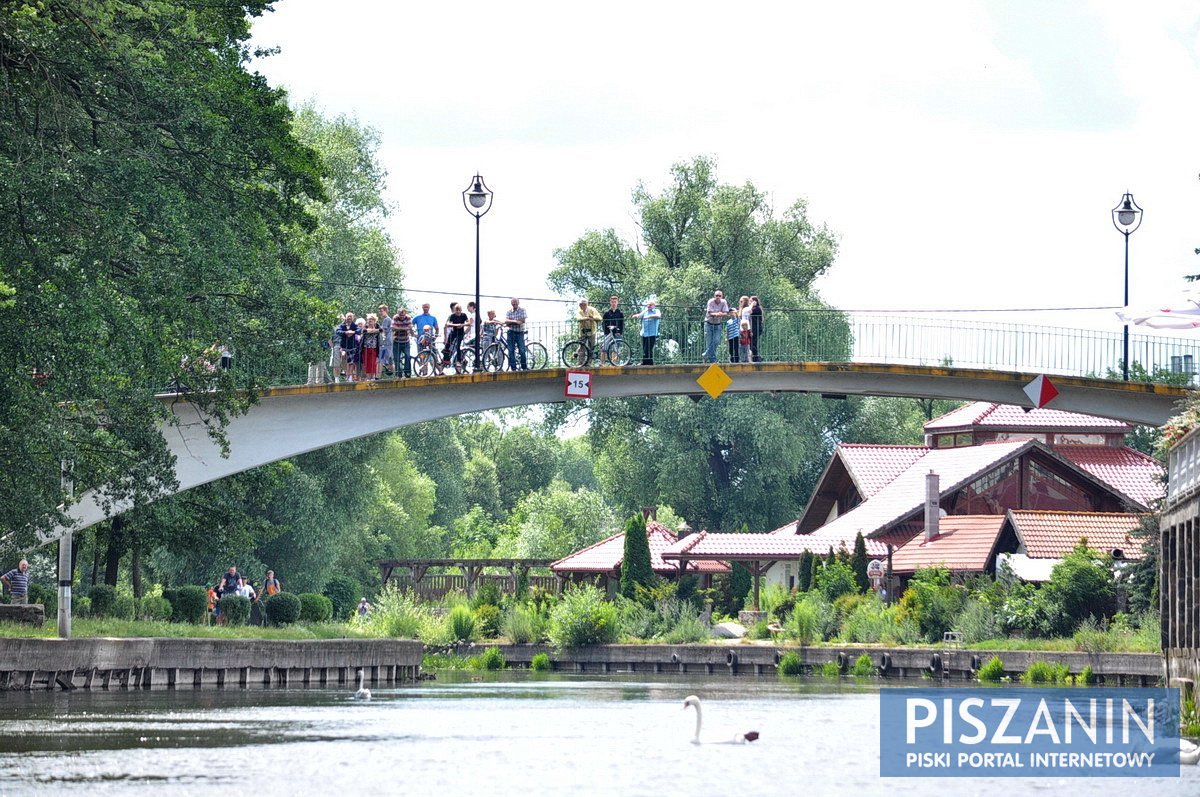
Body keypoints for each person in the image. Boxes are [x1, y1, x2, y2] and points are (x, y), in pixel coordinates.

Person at [703, 290, 730, 363]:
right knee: (709, 342)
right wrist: (718, 314)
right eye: (716, 296)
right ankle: (712, 360)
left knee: (717, 341)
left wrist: (720, 314)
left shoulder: (723, 302)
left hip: (717, 324)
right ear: (714, 296)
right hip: (709, 323)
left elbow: (726, 313)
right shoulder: (710, 302)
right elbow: (710, 313)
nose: (718, 297)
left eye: (719, 296)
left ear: (722, 297)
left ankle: (706, 354)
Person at [633, 299, 661, 365]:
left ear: (654, 305)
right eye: (647, 305)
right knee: (646, 349)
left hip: (652, 334)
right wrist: (636, 315)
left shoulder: (656, 311)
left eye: (650, 305)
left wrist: (649, 316)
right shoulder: (645, 311)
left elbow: (658, 316)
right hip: (644, 333)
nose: (648, 306)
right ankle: (650, 363)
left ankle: (644, 363)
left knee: (647, 349)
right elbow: (640, 315)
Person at [505, 297, 528, 371]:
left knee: (522, 350)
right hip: (511, 332)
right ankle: (513, 368)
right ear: (511, 303)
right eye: (513, 302)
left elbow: (522, 320)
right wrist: (515, 321)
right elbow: (506, 322)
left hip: (519, 333)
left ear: (518, 302)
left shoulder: (522, 310)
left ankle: (524, 367)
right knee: (511, 351)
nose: (514, 303)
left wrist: (511, 322)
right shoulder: (509, 311)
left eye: (515, 302)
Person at [601, 296, 625, 365]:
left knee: (615, 349)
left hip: (617, 333)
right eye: (612, 302)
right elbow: (603, 324)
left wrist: (620, 332)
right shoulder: (606, 313)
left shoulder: (620, 313)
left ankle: (613, 363)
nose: (614, 303)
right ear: (610, 302)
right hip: (608, 333)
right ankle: (602, 364)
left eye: (615, 302)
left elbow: (622, 324)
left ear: (617, 303)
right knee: (604, 348)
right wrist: (606, 332)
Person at [444, 303, 469, 367]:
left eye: (459, 310)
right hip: (454, 332)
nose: (458, 312)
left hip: (460, 333)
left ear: (461, 310)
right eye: (456, 310)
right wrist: (456, 325)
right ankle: (445, 360)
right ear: (455, 310)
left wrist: (462, 325)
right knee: (447, 345)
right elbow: (448, 324)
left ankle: (459, 361)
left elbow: (469, 323)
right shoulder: (452, 316)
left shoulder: (464, 315)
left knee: (458, 346)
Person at [335, 312, 357, 382]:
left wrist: (353, 332)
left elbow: (359, 330)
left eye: (351, 317)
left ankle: (349, 377)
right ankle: (345, 372)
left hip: (352, 347)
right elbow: (338, 331)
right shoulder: (342, 325)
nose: (349, 318)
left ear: (353, 318)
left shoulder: (354, 325)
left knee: (351, 363)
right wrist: (346, 332)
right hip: (344, 347)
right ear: (346, 317)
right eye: (348, 316)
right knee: (343, 357)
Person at [392, 307, 413, 378]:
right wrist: (404, 328)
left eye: (403, 315)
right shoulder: (395, 318)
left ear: (405, 314)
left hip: (405, 341)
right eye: (400, 315)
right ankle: (398, 374)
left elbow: (410, 327)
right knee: (396, 358)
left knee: (407, 356)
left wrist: (399, 328)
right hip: (397, 341)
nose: (401, 317)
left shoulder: (408, 318)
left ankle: (407, 373)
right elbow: (394, 327)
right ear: (398, 314)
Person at [360, 314, 382, 380]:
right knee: (366, 363)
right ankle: (368, 378)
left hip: (374, 348)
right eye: (369, 319)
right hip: (365, 348)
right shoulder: (365, 326)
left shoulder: (378, 326)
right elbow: (364, 331)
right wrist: (375, 331)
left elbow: (381, 330)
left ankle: (372, 377)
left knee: (373, 363)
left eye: (371, 319)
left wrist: (372, 330)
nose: (370, 321)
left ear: (375, 320)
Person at [377, 304, 394, 376]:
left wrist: (375, 330)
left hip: (386, 343)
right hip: (388, 342)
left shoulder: (386, 319)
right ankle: (394, 375)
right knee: (389, 359)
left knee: (381, 359)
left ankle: (378, 376)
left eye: (382, 311)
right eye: (380, 311)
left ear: (386, 311)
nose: (380, 313)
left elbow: (383, 331)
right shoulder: (388, 319)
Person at [749, 296, 764, 362]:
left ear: (755, 302)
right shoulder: (755, 308)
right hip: (754, 327)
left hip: (756, 328)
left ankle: (756, 357)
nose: (749, 302)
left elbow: (749, 311)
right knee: (752, 342)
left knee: (753, 342)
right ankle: (755, 357)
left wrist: (752, 305)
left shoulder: (757, 309)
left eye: (751, 301)